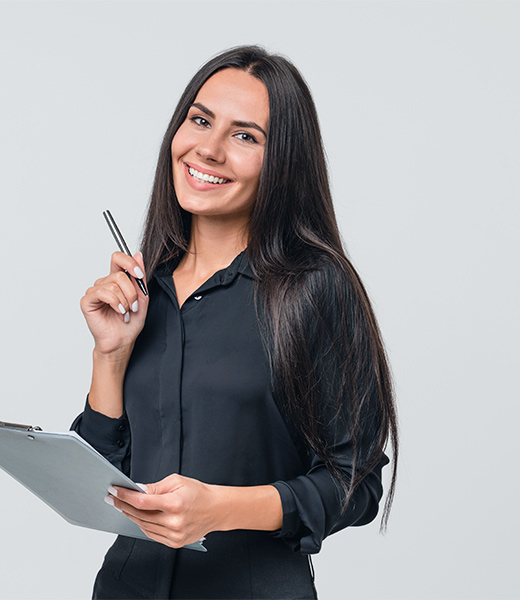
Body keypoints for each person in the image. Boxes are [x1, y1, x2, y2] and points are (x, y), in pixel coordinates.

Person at [72, 45, 398, 600]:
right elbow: (106, 481)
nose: (209, 149)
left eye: (245, 136)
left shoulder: (315, 288)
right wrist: (110, 354)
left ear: (282, 163)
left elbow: (355, 484)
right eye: (200, 121)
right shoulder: (149, 289)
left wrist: (221, 508)